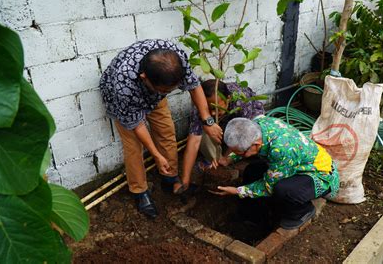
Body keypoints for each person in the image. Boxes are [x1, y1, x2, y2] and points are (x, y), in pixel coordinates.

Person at [99, 39, 222, 219]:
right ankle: (140, 191)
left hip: (154, 93)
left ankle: (170, 179)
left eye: (170, 90)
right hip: (123, 102)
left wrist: (208, 121)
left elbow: (194, 87)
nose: (167, 92)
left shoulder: (175, 59)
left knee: (166, 131)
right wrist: (156, 154)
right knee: (133, 146)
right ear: (144, 78)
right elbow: (137, 126)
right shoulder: (123, 85)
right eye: (164, 90)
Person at [211, 116, 339, 229]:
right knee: (251, 171)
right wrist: (228, 159)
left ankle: (302, 212)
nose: (240, 155)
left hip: (320, 174)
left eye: (241, 153)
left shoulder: (280, 150)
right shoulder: (256, 126)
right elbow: (243, 149)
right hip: (293, 164)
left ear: (256, 144)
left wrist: (237, 191)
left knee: (282, 189)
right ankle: (252, 217)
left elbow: (269, 187)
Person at [174, 79, 265, 194]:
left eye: (215, 108)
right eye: (209, 109)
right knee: (203, 131)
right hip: (225, 117)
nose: (212, 113)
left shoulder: (241, 100)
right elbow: (194, 141)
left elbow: (243, 132)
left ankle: (229, 159)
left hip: (249, 119)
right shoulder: (200, 107)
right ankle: (216, 159)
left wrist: (228, 157)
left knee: (247, 140)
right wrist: (185, 179)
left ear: (228, 98)